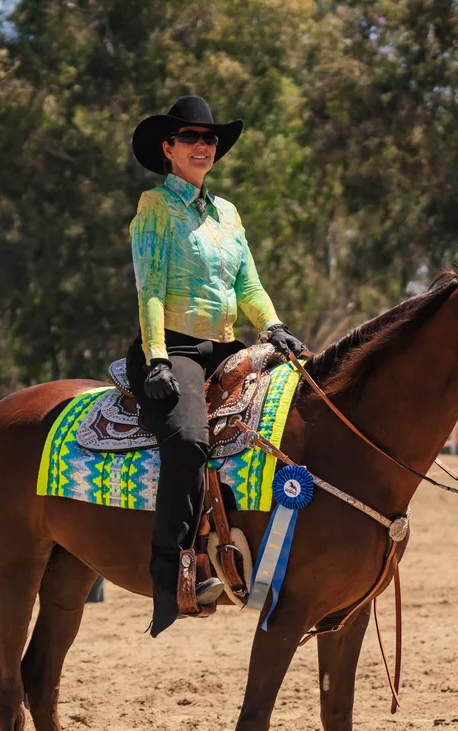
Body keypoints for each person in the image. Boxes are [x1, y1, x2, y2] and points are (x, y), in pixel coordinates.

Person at [127, 96, 307, 638]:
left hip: (225, 346)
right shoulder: (154, 207)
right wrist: (157, 357)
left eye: (210, 139)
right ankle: (174, 573)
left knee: (302, 403)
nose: (203, 146)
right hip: (174, 349)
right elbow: (150, 288)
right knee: (185, 439)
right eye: (190, 137)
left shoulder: (227, 213)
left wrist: (272, 326)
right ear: (168, 148)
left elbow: (247, 284)